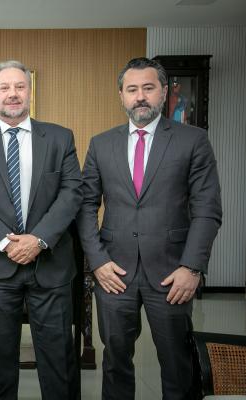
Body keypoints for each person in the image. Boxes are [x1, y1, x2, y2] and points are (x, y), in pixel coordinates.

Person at [77, 57, 222, 399]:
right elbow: (85, 206)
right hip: (114, 272)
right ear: (122, 96)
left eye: (148, 88)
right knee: (115, 363)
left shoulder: (193, 140)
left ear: (164, 92)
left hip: (172, 273)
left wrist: (192, 267)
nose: (140, 96)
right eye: (132, 89)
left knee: (177, 364)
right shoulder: (101, 144)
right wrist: (97, 261)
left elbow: (207, 210)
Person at [0, 60, 82, 399]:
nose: (13, 94)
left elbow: (72, 193)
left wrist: (38, 240)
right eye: (5, 88)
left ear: (30, 92)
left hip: (50, 265)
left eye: (20, 87)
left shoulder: (59, 137)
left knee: (58, 359)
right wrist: (4, 242)